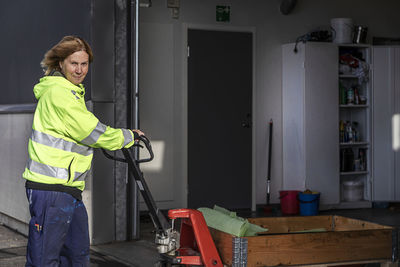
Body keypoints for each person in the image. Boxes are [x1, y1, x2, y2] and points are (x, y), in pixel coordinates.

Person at [22, 35, 144, 266]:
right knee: (44, 260)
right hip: (51, 189)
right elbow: (90, 131)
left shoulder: (72, 93)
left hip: (69, 189)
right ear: (60, 64)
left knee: (77, 254)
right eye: (73, 63)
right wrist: (128, 136)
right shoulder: (60, 93)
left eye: (84, 64)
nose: (79, 70)